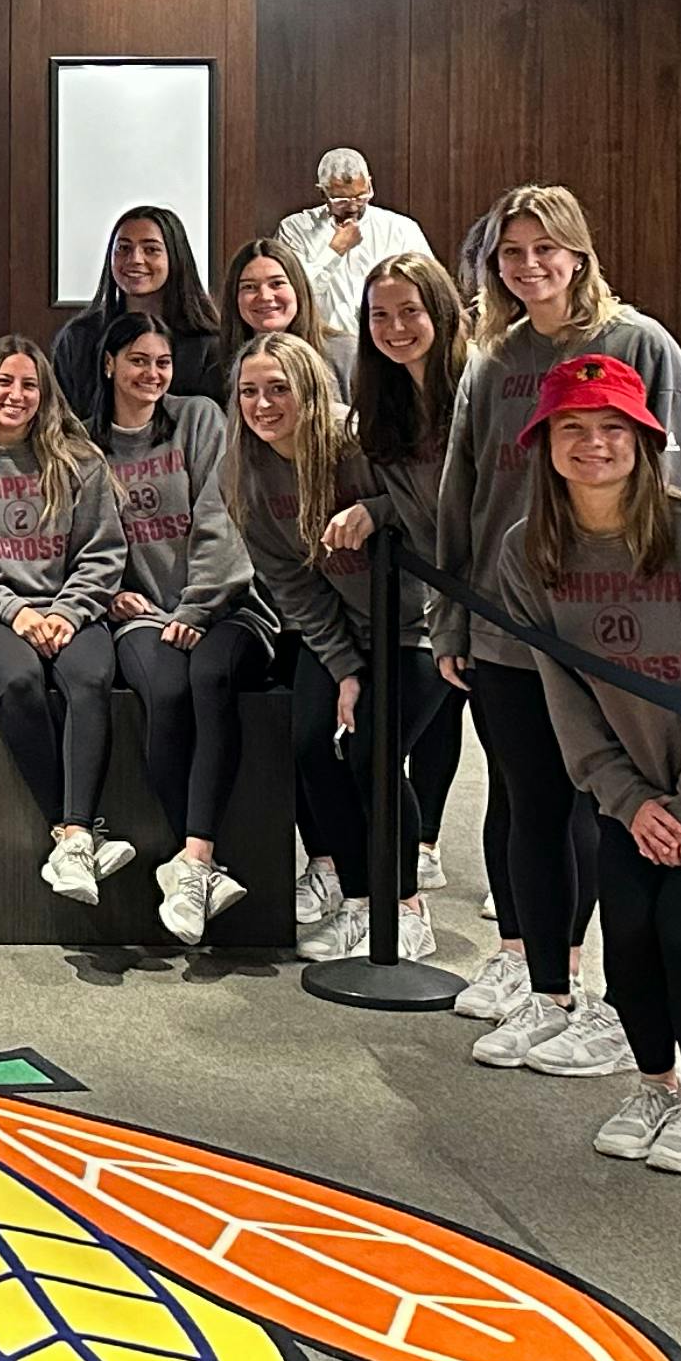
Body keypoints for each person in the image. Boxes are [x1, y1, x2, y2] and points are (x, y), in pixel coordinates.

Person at [494, 354, 681, 1179]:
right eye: (573, 429)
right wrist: (628, 801)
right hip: (634, 788)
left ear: (644, 440)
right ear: (546, 443)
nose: (593, 445)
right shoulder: (529, 551)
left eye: (612, 429)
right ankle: (654, 1084)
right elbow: (566, 698)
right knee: (627, 934)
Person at [432, 187, 681, 1080]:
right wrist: (453, 614)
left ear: (579, 253)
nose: (528, 266)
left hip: (620, 635)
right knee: (531, 806)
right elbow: (464, 492)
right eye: (511, 253)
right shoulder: (495, 357)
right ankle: (549, 990)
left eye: (544, 249)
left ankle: (618, 1010)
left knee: (615, 812)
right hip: (513, 625)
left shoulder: (639, 344)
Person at [234, 334, 432, 966]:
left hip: (415, 627)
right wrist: (344, 665)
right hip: (342, 628)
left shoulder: (359, 440)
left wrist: (374, 509)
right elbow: (292, 583)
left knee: (374, 755)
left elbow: (430, 505)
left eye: (277, 388)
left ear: (310, 387)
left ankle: (404, 907)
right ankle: (358, 899)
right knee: (308, 743)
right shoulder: (247, 468)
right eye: (248, 391)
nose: (262, 405)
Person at [0, 337, 128, 901]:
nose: (16, 395)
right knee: (19, 678)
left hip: (69, 611)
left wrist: (65, 611)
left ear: (45, 393)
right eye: (3, 382)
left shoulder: (80, 460)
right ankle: (72, 833)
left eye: (29, 384)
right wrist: (17, 613)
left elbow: (104, 554)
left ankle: (76, 835)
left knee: (89, 680)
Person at [92, 311, 262, 942]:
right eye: (138, 360)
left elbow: (222, 515)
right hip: (137, 611)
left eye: (162, 362)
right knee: (164, 692)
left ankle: (194, 860)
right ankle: (201, 869)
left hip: (217, 602)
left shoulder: (199, 420)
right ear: (109, 363)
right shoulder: (85, 443)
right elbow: (85, 538)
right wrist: (109, 594)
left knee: (208, 684)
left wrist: (197, 606)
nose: (153, 374)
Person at [335, 251, 472, 916]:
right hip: (444, 608)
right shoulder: (386, 407)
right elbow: (421, 507)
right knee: (372, 754)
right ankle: (403, 906)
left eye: (410, 311)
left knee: (529, 781)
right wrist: (377, 509)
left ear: (441, 313)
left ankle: (550, 967)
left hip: (501, 605)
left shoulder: (475, 389)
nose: (395, 327)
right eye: (380, 315)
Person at [56, 207, 226, 421]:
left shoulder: (208, 346)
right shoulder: (79, 338)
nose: (135, 259)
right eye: (123, 248)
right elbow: (58, 422)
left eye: (151, 249)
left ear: (175, 257)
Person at [277, 148, 432, 338]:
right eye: (341, 200)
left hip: (389, 341)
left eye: (361, 197)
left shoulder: (401, 228)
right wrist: (335, 250)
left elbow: (430, 287)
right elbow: (295, 292)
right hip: (322, 343)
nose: (352, 206)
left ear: (369, 184)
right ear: (322, 193)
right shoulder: (295, 229)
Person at [221, 236, 332, 361]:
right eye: (249, 286)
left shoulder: (344, 355)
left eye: (277, 283)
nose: (265, 296)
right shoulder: (214, 365)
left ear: (298, 288)